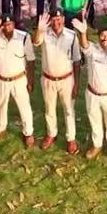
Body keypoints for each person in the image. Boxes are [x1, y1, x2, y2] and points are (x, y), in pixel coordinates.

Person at [0, 13, 36, 147]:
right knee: (1, 105)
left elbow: (30, 60)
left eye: (10, 24)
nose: (7, 27)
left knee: (24, 106)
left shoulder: (24, 37)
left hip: (19, 78)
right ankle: (0, 128)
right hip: (0, 79)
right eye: (5, 25)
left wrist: (30, 80)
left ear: (14, 24)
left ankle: (28, 132)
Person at [33, 8, 80, 154]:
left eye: (59, 19)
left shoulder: (72, 36)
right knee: (49, 109)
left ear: (63, 20)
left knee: (68, 110)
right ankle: (51, 134)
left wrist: (77, 83)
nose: (56, 22)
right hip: (48, 79)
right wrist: (39, 30)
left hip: (67, 79)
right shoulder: (44, 34)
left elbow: (77, 61)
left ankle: (71, 138)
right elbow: (35, 42)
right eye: (53, 20)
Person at [73, 22, 107, 163]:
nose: (105, 38)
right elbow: (84, 45)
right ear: (98, 36)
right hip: (93, 93)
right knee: (94, 120)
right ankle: (97, 145)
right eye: (102, 35)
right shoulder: (92, 49)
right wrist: (83, 32)